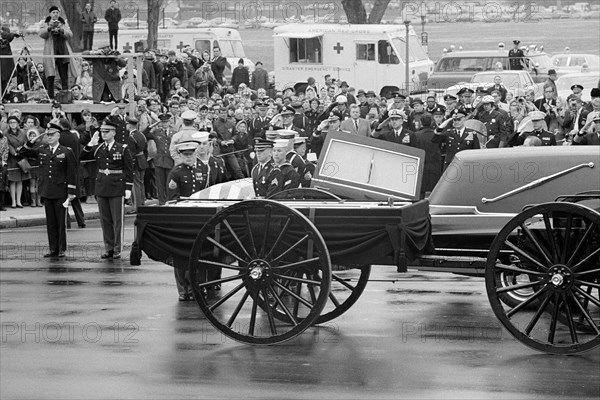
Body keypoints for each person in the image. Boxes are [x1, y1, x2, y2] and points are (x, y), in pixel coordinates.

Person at [19, 123, 77, 257]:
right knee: (50, 222)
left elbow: (71, 173)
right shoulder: (42, 149)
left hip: (61, 190)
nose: (49, 137)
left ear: (58, 135)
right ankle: (53, 248)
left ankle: (61, 248)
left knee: (61, 222)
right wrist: (31, 142)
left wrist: (71, 192)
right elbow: (22, 152)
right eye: (47, 135)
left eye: (52, 135)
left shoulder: (66, 151)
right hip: (47, 189)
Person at [81, 119, 133, 259]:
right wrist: (90, 144)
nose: (104, 134)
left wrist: (128, 187)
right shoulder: (98, 148)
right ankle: (108, 247)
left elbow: (129, 169)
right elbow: (82, 157)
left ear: (114, 133)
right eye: (102, 132)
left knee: (117, 220)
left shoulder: (122, 148)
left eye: (107, 132)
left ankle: (117, 248)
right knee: (105, 220)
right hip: (102, 185)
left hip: (117, 186)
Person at [39, 6, 76, 99]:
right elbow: (41, 34)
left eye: (57, 12)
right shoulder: (45, 23)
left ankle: (65, 95)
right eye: (53, 12)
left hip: (62, 52)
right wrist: (49, 27)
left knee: (64, 75)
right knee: (50, 75)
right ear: (50, 14)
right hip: (50, 52)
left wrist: (61, 30)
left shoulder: (63, 23)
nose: (55, 14)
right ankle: (50, 96)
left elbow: (70, 34)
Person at [58, 118, 86, 228]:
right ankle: (81, 220)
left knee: (63, 197)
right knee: (75, 197)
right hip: (75, 168)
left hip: (63, 169)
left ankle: (66, 222)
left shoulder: (60, 137)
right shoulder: (74, 136)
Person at [413, 114, 442, 198]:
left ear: (421, 123)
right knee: (435, 192)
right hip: (435, 166)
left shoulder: (416, 135)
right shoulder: (437, 135)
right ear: (432, 122)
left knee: (420, 192)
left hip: (421, 166)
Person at [5, 116, 29, 208]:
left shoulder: (23, 133)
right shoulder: (6, 134)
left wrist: (22, 150)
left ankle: (19, 201)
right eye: (10, 122)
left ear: (18, 123)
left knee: (20, 180)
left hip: (22, 158)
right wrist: (14, 152)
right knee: (12, 180)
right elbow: (8, 144)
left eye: (14, 122)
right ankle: (13, 202)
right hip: (12, 159)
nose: (12, 124)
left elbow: (26, 144)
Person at [125, 116, 147, 212]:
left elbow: (131, 154)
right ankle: (142, 203)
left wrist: (130, 165)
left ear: (129, 125)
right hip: (142, 160)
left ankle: (137, 206)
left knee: (136, 185)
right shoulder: (141, 135)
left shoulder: (131, 137)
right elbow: (145, 150)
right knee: (141, 183)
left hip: (136, 162)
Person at [0, 25, 18, 98]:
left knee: (5, 79)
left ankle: (4, 97)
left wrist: (13, 34)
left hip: (5, 60)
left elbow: (9, 37)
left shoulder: (5, 30)